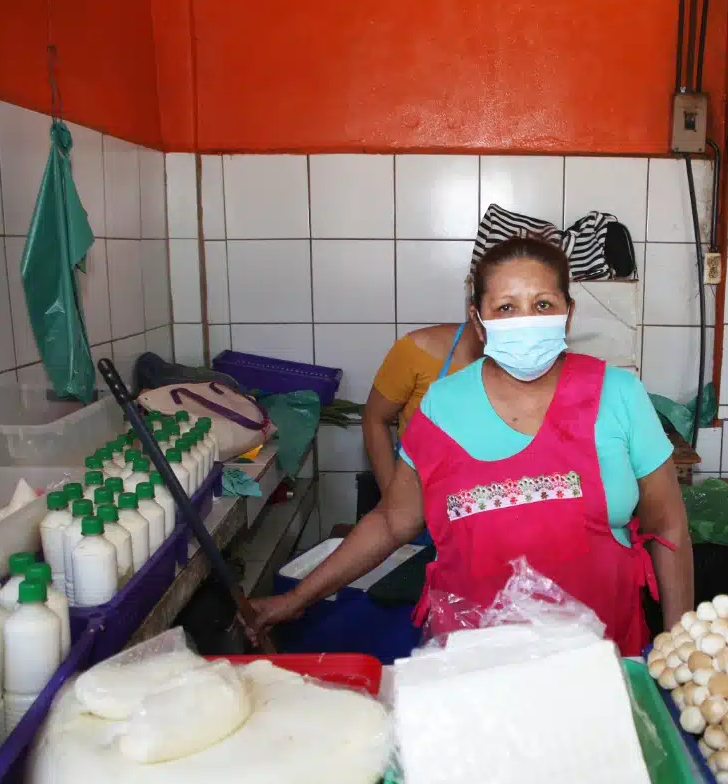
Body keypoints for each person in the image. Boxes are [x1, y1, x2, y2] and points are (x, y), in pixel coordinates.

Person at [250, 237, 693, 654]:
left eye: (543, 304)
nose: (526, 320)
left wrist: (679, 650)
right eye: (506, 307)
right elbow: (392, 521)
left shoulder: (619, 394)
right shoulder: (443, 405)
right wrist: (296, 599)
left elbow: (669, 526)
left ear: (568, 313)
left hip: (600, 658)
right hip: (472, 665)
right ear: (479, 321)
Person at [358, 322, 481, 523]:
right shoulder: (419, 350)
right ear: (475, 312)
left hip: (493, 505)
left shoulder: (529, 366)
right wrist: (394, 501)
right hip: (419, 504)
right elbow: (375, 418)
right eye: (503, 308)